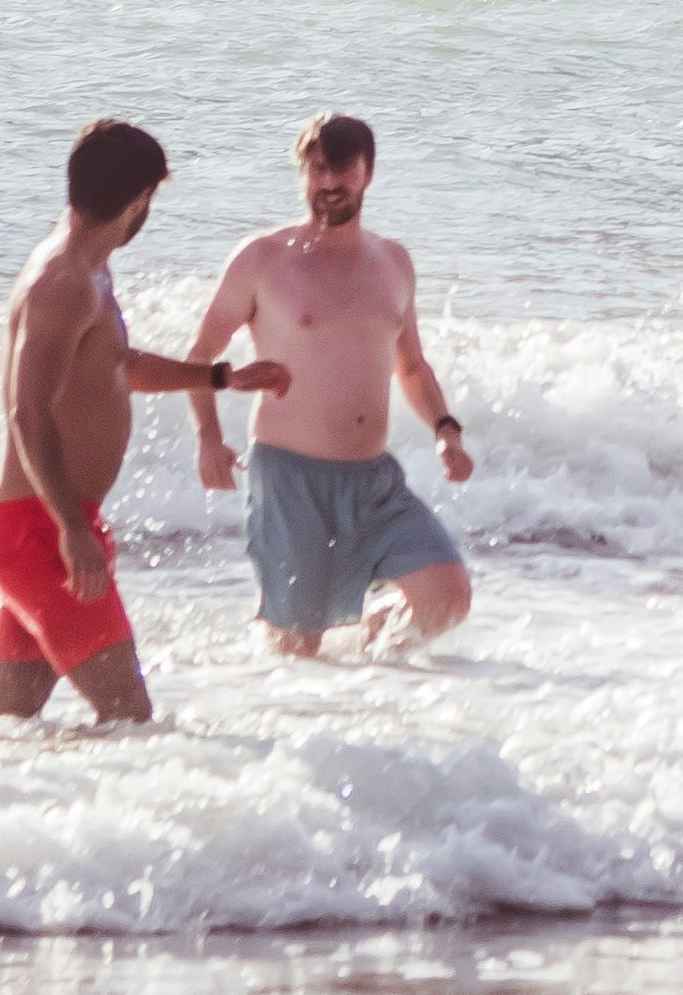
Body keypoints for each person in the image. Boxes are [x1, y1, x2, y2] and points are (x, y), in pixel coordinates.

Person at [0, 115, 283, 724]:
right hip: (39, 531)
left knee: (11, 725)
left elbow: (115, 365)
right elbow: (27, 410)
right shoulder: (63, 281)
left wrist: (220, 377)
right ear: (140, 200)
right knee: (129, 719)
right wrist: (71, 528)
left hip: (46, 526)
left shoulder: (87, 271)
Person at [186, 108, 477, 655]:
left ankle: (363, 665)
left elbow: (411, 366)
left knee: (447, 597)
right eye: (317, 168)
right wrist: (208, 437)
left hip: (372, 480)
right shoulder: (262, 258)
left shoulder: (393, 262)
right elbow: (200, 357)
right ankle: (282, 686)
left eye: (342, 169)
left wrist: (445, 429)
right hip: (289, 477)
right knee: (297, 649)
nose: (328, 183)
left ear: (368, 173)